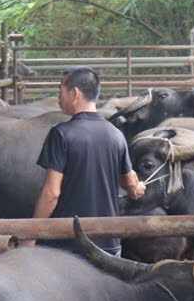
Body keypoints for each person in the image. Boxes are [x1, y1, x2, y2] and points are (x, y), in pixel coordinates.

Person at [33, 67, 145, 255]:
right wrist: (138, 188)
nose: (58, 98)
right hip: (109, 243)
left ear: (74, 93)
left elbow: (52, 193)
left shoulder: (61, 134)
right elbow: (130, 184)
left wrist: (31, 232)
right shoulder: (116, 135)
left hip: (68, 243)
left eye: (60, 91)